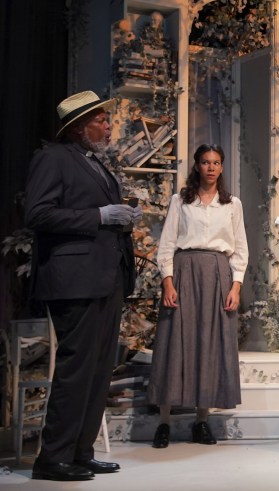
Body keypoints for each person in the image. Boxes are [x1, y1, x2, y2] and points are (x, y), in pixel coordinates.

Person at [24, 91, 140, 481]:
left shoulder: (93, 162)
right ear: (79, 126)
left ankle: (80, 452)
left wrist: (123, 218)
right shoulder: (53, 158)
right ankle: (52, 458)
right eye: (101, 121)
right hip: (74, 280)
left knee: (99, 370)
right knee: (77, 368)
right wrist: (100, 215)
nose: (108, 127)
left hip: (106, 277)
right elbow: (38, 213)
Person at [149, 144, 248, 448]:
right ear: (197, 166)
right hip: (184, 272)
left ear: (222, 167)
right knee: (173, 342)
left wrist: (235, 286)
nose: (211, 167)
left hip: (217, 275)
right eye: (205, 162)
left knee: (209, 343)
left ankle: (201, 421)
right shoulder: (181, 201)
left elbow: (240, 249)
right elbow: (167, 244)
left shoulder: (232, 204)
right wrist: (168, 283)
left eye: (216, 162)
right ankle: (164, 422)